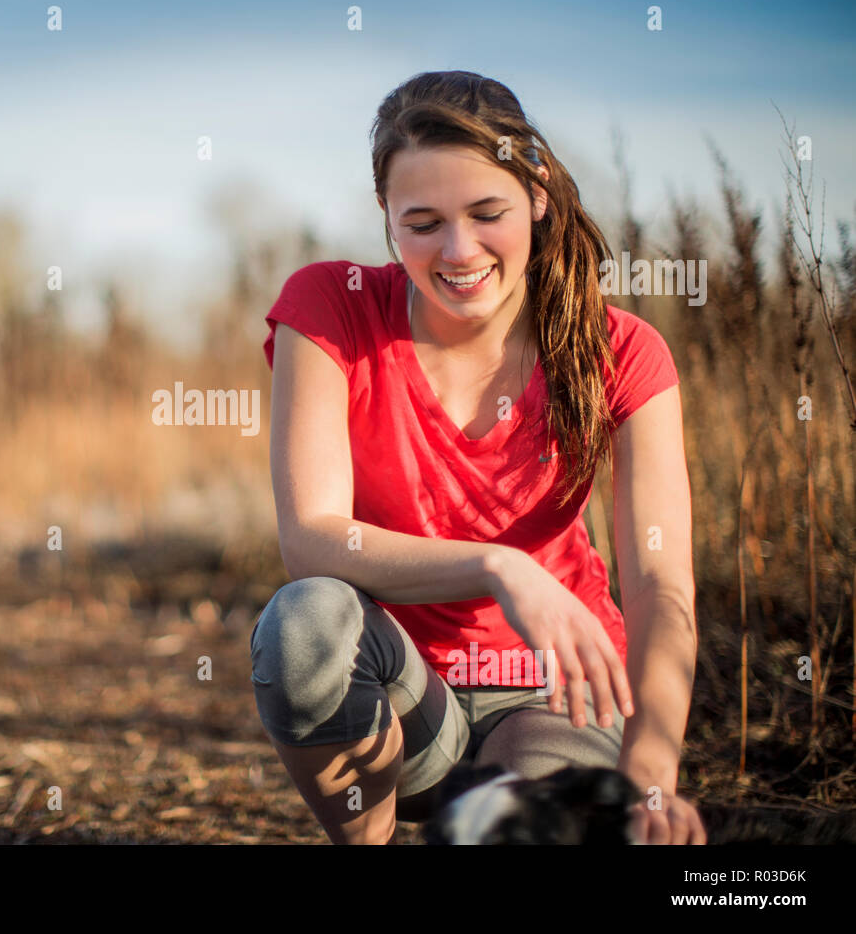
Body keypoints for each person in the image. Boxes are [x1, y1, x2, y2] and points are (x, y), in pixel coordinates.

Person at [250, 70, 706, 845]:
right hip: (399, 693)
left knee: (505, 828)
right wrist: (499, 565)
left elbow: (663, 587)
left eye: (486, 212)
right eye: (422, 222)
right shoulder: (329, 309)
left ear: (536, 193)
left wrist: (652, 779)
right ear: (386, 219)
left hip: (552, 699)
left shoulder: (624, 353)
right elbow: (312, 540)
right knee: (304, 624)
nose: (458, 251)